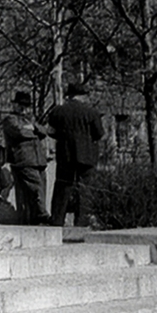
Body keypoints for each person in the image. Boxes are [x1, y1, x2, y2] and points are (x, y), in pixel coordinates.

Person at [45, 81, 103, 227]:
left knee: (62, 187)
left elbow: (50, 131)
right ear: (83, 96)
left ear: (69, 96)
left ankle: (57, 220)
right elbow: (99, 134)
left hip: (65, 155)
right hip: (87, 156)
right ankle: (81, 222)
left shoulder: (58, 111)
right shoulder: (91, 112)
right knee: (85, 189)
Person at [2, 90, 50, 225]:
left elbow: (44, 131)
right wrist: (35, 131)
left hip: (39, 160)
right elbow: (20, 132)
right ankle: (42, 215)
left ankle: (37, 217)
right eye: (21, 105)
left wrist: (33, 127)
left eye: (27, 105)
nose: (24, 108)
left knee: (40, 190)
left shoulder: (31, 120)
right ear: (15, 105)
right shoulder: (10, 119)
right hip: (24, 160)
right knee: (36, 187)